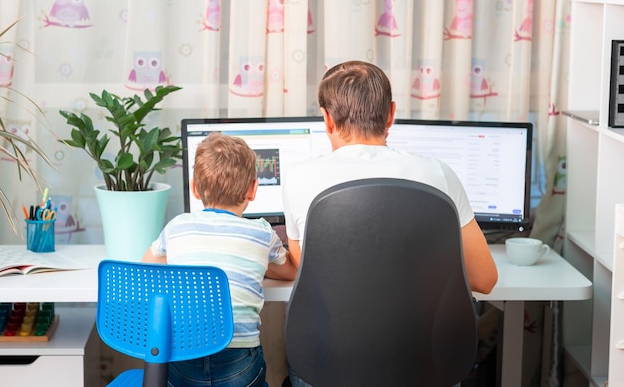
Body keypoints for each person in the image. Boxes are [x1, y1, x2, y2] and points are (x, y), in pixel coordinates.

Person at [282, 60, 498, 294]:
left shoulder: (297, 178)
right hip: (419, 331)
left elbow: (302, 268)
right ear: (391, 114)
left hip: (328, 330)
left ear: (327, 119)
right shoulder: (438, 174)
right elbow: (484, 280)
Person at [143, 132, 297, 387]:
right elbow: (291, 271)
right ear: (253, 189)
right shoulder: (261, 231)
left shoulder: (177, 226)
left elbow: (148, 264)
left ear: (194, 187)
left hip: (184, 360)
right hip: (239, 364)